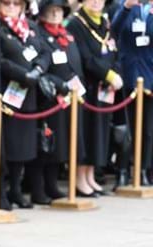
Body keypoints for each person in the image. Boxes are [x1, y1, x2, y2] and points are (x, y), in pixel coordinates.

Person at [0, 0, 55, 209]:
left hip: (29, 95)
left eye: (16, 3)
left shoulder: (30, 26)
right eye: (6, 3)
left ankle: (16, 189)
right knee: (6, 146)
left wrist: (38, 70)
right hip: (7, 93)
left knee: (23, 146)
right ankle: (1, 191)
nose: (11, 7)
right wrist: (23, 74)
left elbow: (46, 52)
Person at [27, 0, 81, 203]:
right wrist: (61, 85)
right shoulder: (40, 35)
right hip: (48, 97)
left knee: (58, 145)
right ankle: (38, 188)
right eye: (51, 11)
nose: (56, 14)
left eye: (59, 11)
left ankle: (52, 184)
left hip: (67, 98)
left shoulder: (65, 36)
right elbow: (44, 65)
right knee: (44, 145)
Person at [68, 0, 121, 196]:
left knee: (99, 133)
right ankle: (80, 178)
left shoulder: (105, 23)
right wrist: (107, 74)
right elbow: (85, 57)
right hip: (87, 87)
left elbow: (114, 51)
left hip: (104, 89)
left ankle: (90, 175)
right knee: (87, 133)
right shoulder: (76, 23)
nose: (97, 2)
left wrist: (115, 72)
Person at [112, 0, 153, 187]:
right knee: (127, 128)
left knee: (148, 130)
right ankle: (122, 170)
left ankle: (142, 169)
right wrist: (127, 7)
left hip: (150, 76)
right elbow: (115, 29)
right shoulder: (126, 6)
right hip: (129, 75)